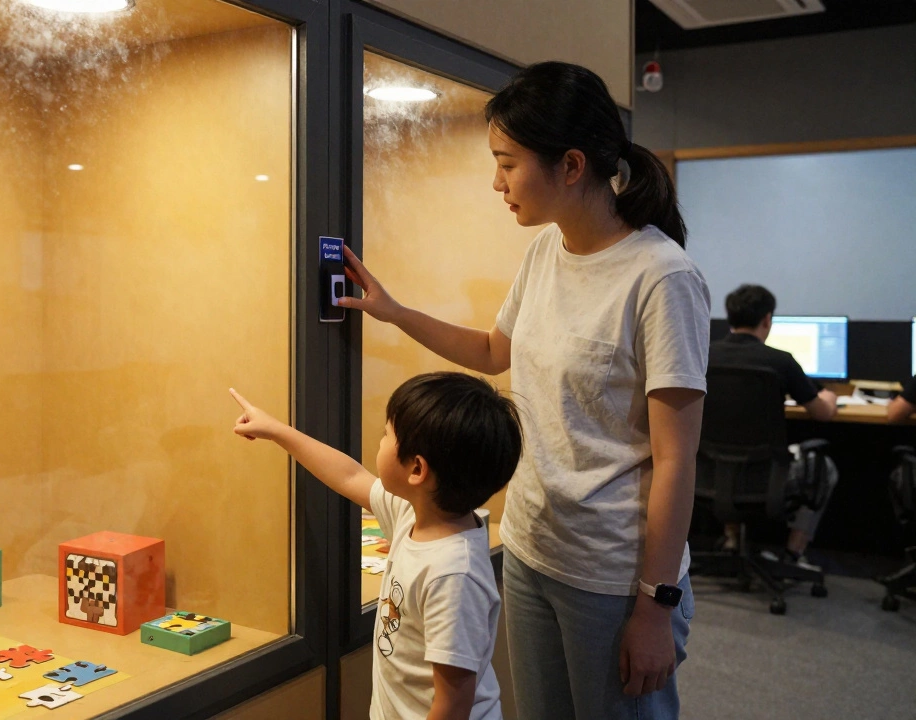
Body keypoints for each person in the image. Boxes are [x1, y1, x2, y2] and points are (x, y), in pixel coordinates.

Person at [337, 61, 708, 719]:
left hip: (613, 574)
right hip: (534, 549)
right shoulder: (546, 252)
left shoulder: (661, 276)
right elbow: (491, 352)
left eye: (507, 163)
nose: (496, 182)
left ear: (570, 165)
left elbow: (676, 459)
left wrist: (656, 604)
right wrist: (394, 311)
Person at [230, 372, 522, 720]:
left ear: (417, 469)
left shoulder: (453, 575)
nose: (380, 442)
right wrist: (276, 430)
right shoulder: (414, 513)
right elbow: (349, 476)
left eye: (387, 435)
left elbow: (453, 702)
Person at [709, 284, 841, 570]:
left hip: (706, 475)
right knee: (825, 468)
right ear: (767, 319)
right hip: (767, 478)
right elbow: (821, 414)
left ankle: (732, 538)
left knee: (726, 451)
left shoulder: (704, 355)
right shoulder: (780, 360)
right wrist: (830, 396)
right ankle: (794, 552)